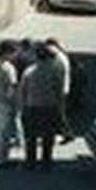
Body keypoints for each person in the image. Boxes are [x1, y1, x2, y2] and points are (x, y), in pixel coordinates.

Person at [18, 43, 63, 171]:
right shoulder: (54, 71)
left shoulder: (29, 71)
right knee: (48, 137)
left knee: (31, 137)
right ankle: (46, 162)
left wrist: (22, 106)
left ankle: (30, 162)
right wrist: (59, 105)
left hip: (32, 107)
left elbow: (22, 90)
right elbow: (58, 89)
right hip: (49, 107)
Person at [44, 38, 74, 143]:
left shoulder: (58, 59)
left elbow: (58, 75)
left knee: (59, 114)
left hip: (60, 90)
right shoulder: (62, 56)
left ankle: (68, 133)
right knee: (59, 113)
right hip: (63, 89)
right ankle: (64, 133)